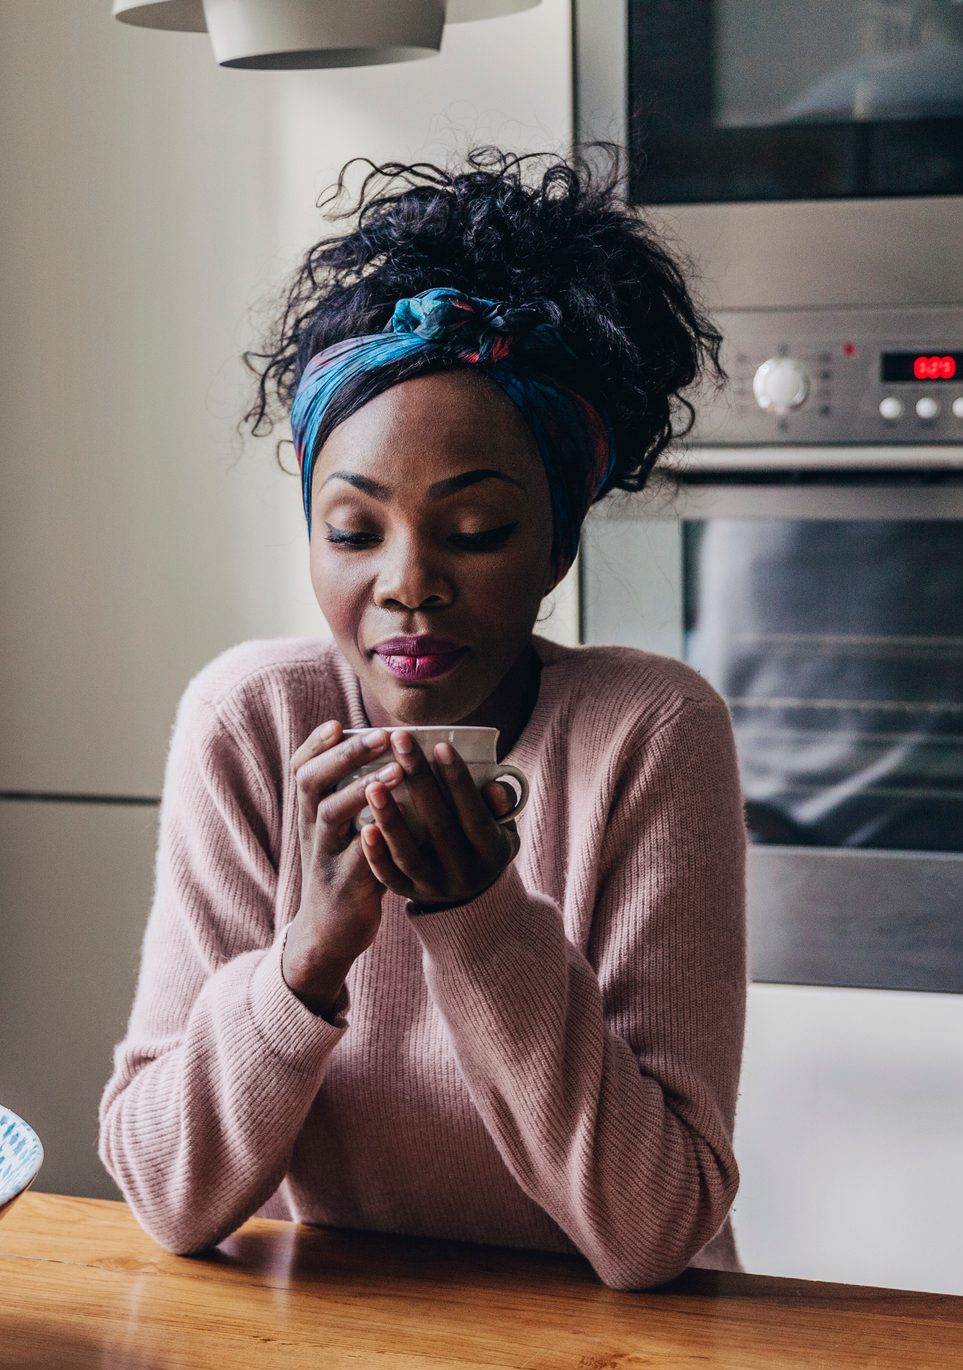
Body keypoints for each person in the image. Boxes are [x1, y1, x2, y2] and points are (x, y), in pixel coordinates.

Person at [97, 148, 746, 1291]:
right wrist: (304, 960)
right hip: (344, 1342)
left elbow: (656, 1230)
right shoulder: (253, 723)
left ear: (557, 544)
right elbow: (165, 1194)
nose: (409, 582)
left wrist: (481, 919)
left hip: (625, 1358)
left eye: (478, 530)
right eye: (354, 531)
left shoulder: (651, 731)